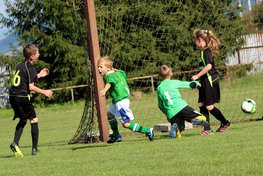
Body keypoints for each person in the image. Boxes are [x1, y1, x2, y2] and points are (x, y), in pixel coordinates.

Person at [9, 44, 53, 157]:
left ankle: (15, 143)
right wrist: (45, 92)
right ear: (32, 56)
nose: (39, 54)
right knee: (33, 119)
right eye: (37, 53)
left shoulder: (20, 65)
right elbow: (31, 87)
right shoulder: (31, 67)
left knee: (23, 119)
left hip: (13, 96)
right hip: (22, 97)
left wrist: (39, 75)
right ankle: (34, 149)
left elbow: (24, 79)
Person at [97, 56, 154, 143]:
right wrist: (112, 68)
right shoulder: (119, 73)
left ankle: (147, 130)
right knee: (109, 115)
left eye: (101, 67)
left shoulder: (109, 76)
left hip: (121, 102)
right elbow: (123, 73)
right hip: (118, 100)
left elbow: (109, 83)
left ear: (108, 68)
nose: (98, 69)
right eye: (98, 67)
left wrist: (104, 90)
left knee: (126, 124)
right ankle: (116, 135)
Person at [191, 29, 231, 135]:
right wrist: (200, 80)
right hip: (204, 81)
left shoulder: (206, 52)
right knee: (201, 104)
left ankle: (225, 122)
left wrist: (197, 76)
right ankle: (207, 128)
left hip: (210, 81)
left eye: (195, 40)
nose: (194, 42)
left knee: (208, 106)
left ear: (199, 40)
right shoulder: (203, 52)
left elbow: (209, 66)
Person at [157, 65, 209, 138]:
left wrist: (167, 114)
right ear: (170, 73)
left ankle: (176, 130)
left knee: (180, 129)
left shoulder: (159, 88)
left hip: (171, 113)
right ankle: (195, 120)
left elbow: (160, 105)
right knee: (203, 118)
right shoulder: (174, 82)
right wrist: (197, 84)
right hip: (182, 108)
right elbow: (189, 85)